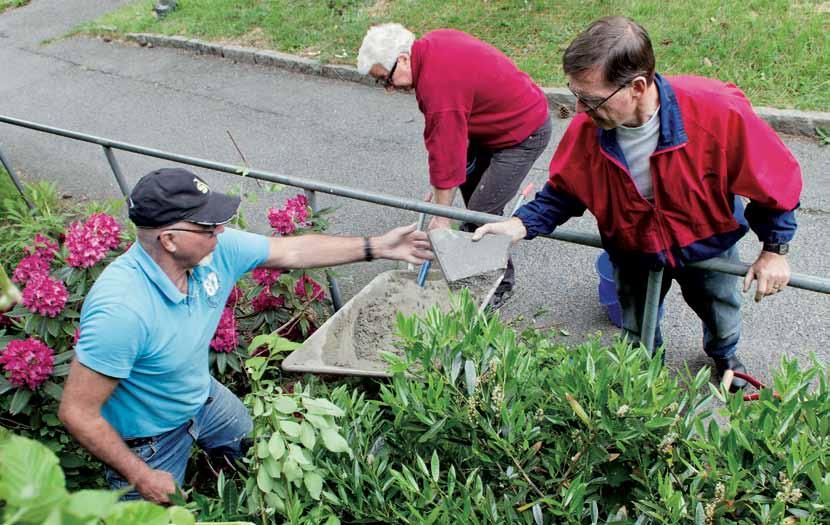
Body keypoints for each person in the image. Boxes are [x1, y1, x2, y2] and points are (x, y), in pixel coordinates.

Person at [58, 167, 433, 503]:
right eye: (206, 227)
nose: (220, 231)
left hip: (203, 398)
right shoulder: (121, 310)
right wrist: (141, 475)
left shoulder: (213, 252)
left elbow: (294, 250)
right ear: (170, 240)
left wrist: (377, 247)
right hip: (149, 442)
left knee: (261, 448)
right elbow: (77, 412)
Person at [473, 16, 802, 389]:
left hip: (707, 245)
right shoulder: (590, 128)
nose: (580, 109)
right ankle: (642, 374)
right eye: (575, 94)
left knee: (720, 310)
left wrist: (774, 250)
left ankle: (725, 357)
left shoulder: (716, 112)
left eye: (591, 99)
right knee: (635, 323)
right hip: (633, 249)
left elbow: (772, 180)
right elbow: (564, 190)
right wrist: (518, 225)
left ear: (638, 86)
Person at [357, 23, 552, 308]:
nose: (388, 88)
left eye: (386, 79)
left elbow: (446, 147)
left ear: (402, 59)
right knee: (475, 201)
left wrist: (441, 214)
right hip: (487, 126)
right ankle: (485, 272)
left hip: (522, 132)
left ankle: (497, 287)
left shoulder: (437, 85)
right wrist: (440, 193)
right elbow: (445, 143)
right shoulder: (431, 46)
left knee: (479, 215)